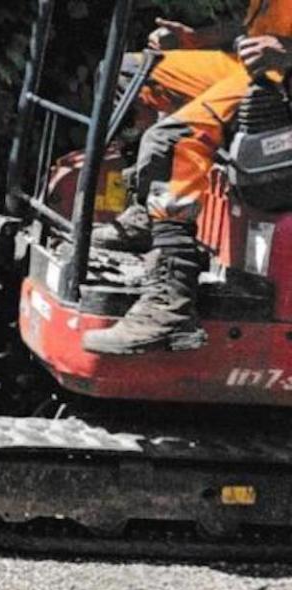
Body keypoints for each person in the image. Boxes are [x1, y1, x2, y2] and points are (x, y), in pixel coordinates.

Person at [82, 0, 292, 355]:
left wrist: (285, 52)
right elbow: (257, 26)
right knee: (130, 73)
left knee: (173, 140)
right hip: (259, 67)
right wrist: (197, 38)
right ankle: (149, 213)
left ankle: (170, 301)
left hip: (282, 79)